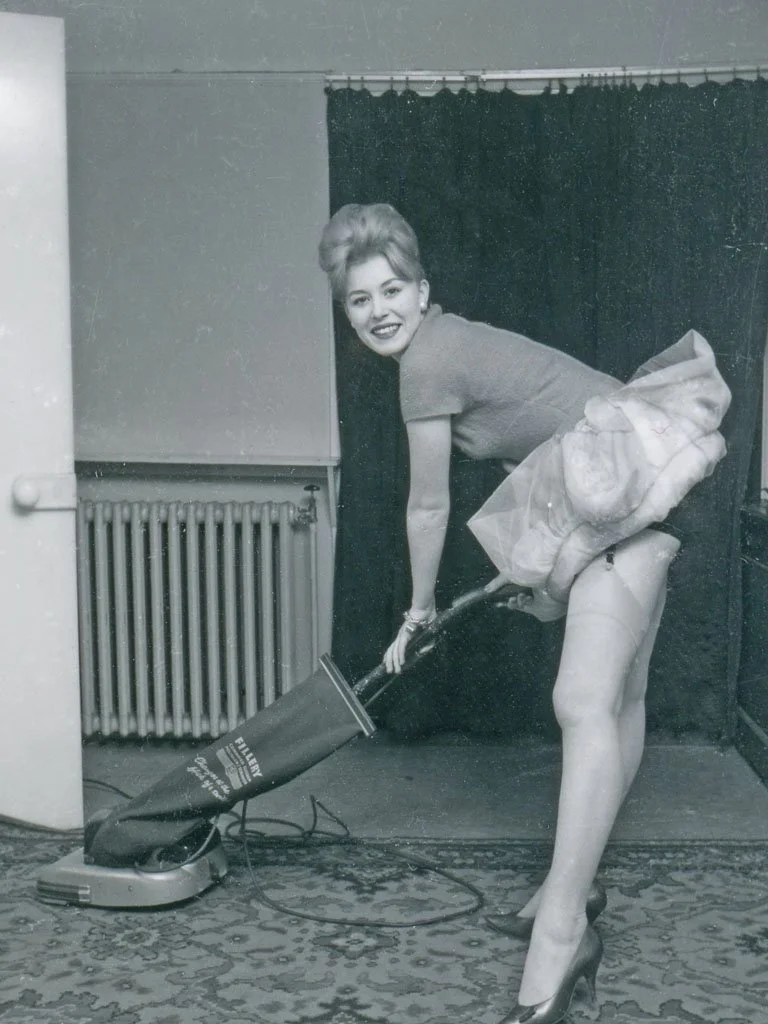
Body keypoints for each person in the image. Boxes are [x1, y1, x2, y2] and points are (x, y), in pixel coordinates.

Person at [318, 202, 731, 1024]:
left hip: (628, 492)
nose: (379, 311)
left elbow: (428, 505)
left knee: (581, 701)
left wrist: (417, 611)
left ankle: (563, 933)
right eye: (359, 300)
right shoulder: (447, 343)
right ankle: (570, 887)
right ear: (347, 313)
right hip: (644, 477)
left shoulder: (425, 362)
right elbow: (540, 453)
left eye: (392, 289)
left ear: (422, 290)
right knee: (619, 701)